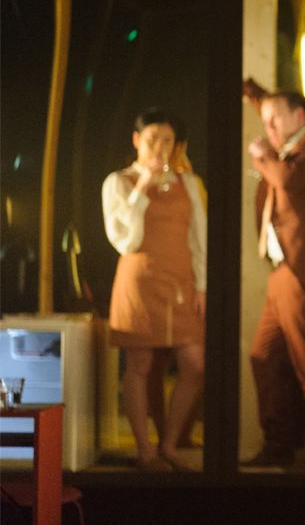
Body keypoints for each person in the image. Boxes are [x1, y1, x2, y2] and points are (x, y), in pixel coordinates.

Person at [243, 92, 305, 472]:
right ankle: (279, 443)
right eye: (264, 120)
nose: (268, 128)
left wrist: (262, 155)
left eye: (275, 119)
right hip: (284, 269)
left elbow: (287, 181)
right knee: (264, 356)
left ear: (298, 114)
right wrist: (252, 92)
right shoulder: (290, 144)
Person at [102, 108, 206, 471]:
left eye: (166, 140)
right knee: (140, 364)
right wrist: (142, 187)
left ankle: (170, 442)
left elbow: (199, 238)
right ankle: (145, 449)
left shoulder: (187, 183)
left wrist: (203, 285)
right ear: (136, 140)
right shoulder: (118, 182)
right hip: (139, 280)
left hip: (180, 280)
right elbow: (125, 241)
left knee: (195, 363)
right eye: (151, 139)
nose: (159, 147)